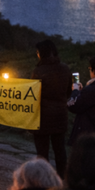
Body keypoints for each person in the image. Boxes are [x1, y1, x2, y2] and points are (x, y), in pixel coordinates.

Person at [30, 39, 71, 176]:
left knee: (42, 152)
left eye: (38, 52)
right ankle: (63, 179)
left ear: (42, 53)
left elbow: (33, 95)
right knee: (60, 150)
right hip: (60, 115)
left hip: (42, 117)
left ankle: (44, 180)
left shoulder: (38, 71)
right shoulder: (65, 69)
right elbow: (69, 92)